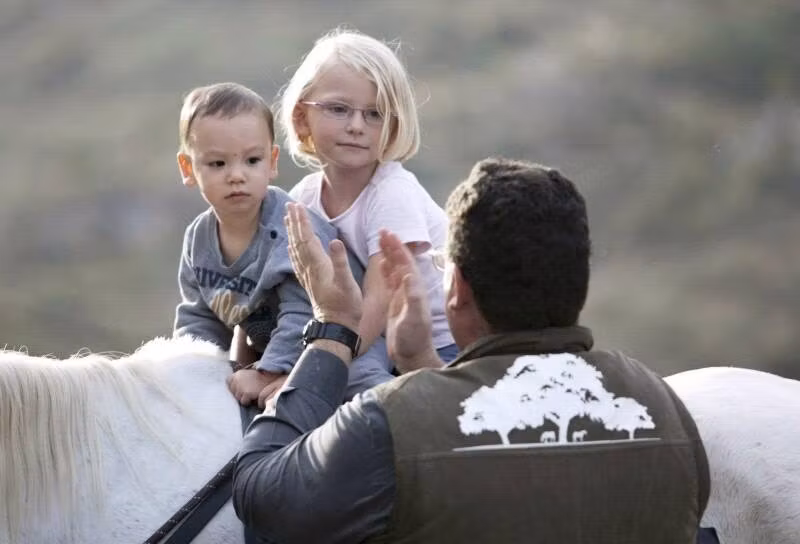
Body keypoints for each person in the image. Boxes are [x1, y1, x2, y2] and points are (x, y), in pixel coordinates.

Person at [232, 157, 710, 543]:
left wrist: (334, 330)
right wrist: (426, 367)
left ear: (455, 288)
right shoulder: (663, 407)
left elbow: (261, 496)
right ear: (577, 282)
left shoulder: (389, 423)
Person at [172, 82, 392, 406]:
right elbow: (200, 318)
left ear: (272, 162)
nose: (236, 175)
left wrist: (266, 372)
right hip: (276, 358)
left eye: (252, 161)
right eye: (217, 164)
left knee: (365, 404)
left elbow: (303, 310)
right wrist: (192, 369)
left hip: (346, 348)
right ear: (188, 168)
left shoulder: (291, 228)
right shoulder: (198, 240)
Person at [278, 28, 458, 362]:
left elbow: (381, 294)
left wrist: (324, 364)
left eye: (374, 114)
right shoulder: (302, 198)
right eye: (339, 109)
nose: (357, 126)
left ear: (394, 125)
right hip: (375, 342)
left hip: (441, 347)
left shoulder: (392, 192)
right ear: (302, 118)